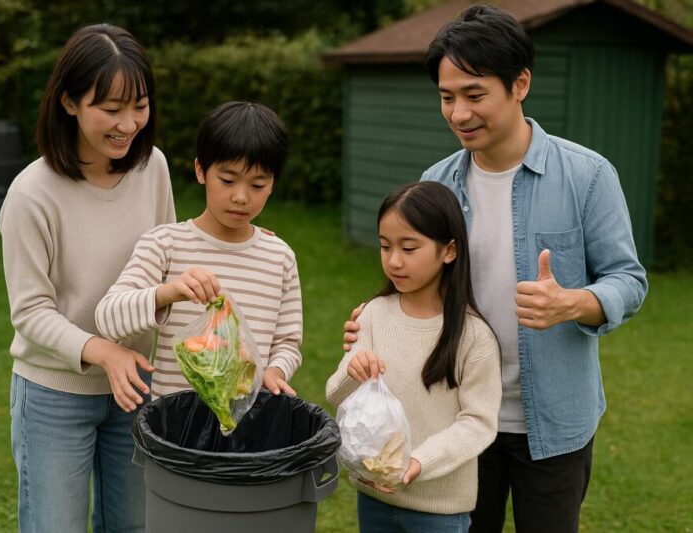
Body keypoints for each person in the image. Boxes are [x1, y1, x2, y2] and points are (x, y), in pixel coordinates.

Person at [344, 6, 648, 532]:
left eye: (474, 95)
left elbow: (628, 279)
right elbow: (419, 283)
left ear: (520, 84)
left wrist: (573, 303)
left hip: (554, 424)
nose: (459, 113)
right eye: (447, 97)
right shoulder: (436, 183)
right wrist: (379, 322)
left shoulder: (588, 175)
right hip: (454, 417)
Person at [0, 24, 175, 532]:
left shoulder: (153, 168)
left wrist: (237, 244)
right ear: (69, 102)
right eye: (111, 108)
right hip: (53, 396)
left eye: (139, 106)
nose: (128, 124)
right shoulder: (31, 194)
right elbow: (31, 312)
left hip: (136, 387)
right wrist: (103, 351)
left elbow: (168, 261)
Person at [95, 101, 302, 401]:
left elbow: (287, 342)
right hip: (176, 424)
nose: (241, 197)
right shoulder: (165, 244)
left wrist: (276, 371)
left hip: (250, 420)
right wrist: (167, 293)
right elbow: (108, 319)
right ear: (200, 171)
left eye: (257, 185)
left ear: (272, 185)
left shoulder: (280, 258)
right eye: (227, 180)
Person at [327, 181, 502, 533]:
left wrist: (419, 462)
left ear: (449, 251)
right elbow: (336, 396)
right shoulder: (373, 314)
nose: (394, 261)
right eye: (385, 246)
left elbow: (478, 423)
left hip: (439, 512)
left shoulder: (473, 336)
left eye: (409, 248)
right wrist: (353, 371)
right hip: (374, 499)